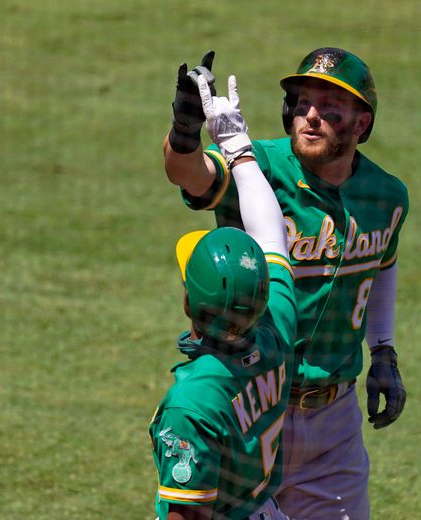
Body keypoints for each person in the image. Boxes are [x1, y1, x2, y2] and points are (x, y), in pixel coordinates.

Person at [163, 48, 409, 519]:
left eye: (330, 110)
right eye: (302, 106)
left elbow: (384, 265)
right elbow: (190, 174)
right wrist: (185, 133)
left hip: (333, 423)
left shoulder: (387, 196)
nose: (310, 118)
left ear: (361, 125)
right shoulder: (257, 168)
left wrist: (384, 351)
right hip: (253, 408)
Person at [149, 74, 296, 519]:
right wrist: (238, 146)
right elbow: (271, 232)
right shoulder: (277, 331)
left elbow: (188, 515)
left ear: (189, 304)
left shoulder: (193, 402)